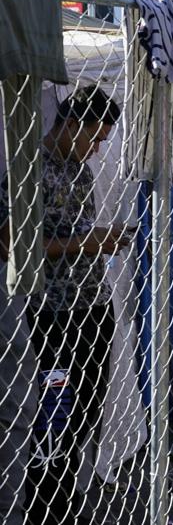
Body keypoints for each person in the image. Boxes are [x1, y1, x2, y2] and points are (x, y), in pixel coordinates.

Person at [0, 86, 131, 525]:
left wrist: (101, 239)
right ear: (72, 124)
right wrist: (85, 243)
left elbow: (82, 232)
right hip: (50, 318)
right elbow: (8, 245)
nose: (96, 150)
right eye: (94, 138)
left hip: (92, 310)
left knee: (83, 416)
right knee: (47, 420)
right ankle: (36, 506)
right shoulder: (27, 169)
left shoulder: (82, 173)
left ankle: (66, 502)